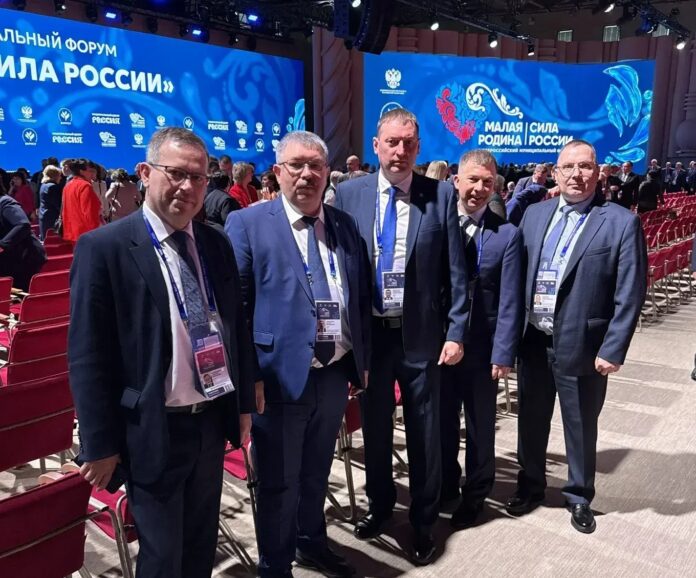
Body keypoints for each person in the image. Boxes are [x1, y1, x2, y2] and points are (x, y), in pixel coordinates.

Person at [69, 128, 257, 578]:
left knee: (199, 548)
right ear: (145, 173)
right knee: (161, 558)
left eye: (198, 177)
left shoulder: (215, 242)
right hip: (151, 427)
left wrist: (243, 403)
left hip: (210, 420)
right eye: (176, 174)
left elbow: (235, 326)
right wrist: (99, 443)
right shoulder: (105, 248)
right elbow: (88, 356)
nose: (188, 187)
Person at [226, 131, 371, 578]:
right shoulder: (248, 224)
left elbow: (358, 295)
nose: (307, 174)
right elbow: (235, 312)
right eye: (296, 165)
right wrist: (249, 378)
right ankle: (275, 565)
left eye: (316, 166)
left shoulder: (344, 224)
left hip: (333, 373)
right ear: (277, 171)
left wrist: (360, 361)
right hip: (277, 380)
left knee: (316, 471)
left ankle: (311, 543)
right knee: (278, 482)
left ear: (327, 172)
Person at [334, 108, 468, 565]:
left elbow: (456, 272)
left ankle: (424, 521)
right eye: (392, 141)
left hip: (422, 337)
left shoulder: (440, 194)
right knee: (374, 429)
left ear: (419, 147)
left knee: (424, 432)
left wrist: (456, 331)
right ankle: (380, 506)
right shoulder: (348, 194)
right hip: (371, 337)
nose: (400, 150)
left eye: (409, 142)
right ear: (376, 146)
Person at [506, 140, 647, 534]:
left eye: (585, 166)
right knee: (531, 420)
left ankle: (579, 495)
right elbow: (516, 278)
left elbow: (631, 291)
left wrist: (613, 347)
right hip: (534, 341)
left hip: (585, 346)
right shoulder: (534, 214)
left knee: (581, 424)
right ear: (555, 173)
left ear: (597, 172)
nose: (576, 174)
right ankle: (530, 485)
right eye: (568, 167)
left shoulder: (620, 222)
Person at [442, 150, 523, 529]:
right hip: (441, 347)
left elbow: (510, 299)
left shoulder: (507, 235)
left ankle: (475, 494)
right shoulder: (437, 226)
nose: (478, 188)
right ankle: (445, 484)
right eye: (472, 180)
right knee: (441, 423)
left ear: (496, 188)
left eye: (487, 182)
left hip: (482, 350)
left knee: (479, 427)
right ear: (456, 180)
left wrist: (503, 353)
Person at [0, 191, 46, 290]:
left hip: (22, 258)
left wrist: (2, 244)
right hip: (9, 258)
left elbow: (23, 224)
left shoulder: (5, 202)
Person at [61, 159, 103, 243]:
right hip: (87, 233)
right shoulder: (85, 186)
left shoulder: (68, 185)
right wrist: (96, 232)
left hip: (72, 232)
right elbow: (90, 212)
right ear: (81, 171)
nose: (92, 174)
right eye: (89, 171)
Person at [38, 165, 63, 240]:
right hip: (52, 218)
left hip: (43, 216)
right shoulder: (53, 187)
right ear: (55, 176)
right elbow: (58, 204)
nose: (60, 178)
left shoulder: (43, 185)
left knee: (46, 240)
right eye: (59, 175)